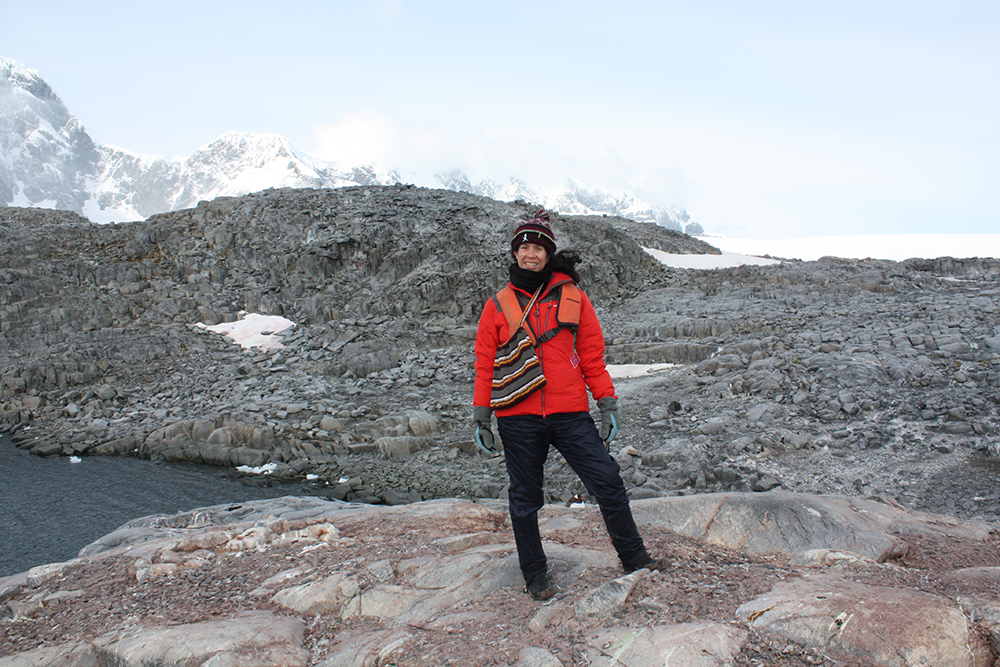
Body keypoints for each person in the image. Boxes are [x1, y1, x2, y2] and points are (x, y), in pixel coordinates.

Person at [472, 209, 665, 600]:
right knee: (525, 498)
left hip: (569, 411)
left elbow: (592, 354)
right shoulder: (497, 304)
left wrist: (607, 402)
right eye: (524, 247)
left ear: (548, 253)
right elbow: (484, 361)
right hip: (518, 416)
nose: (531, 254)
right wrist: (482, 416)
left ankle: (634, 558)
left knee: (608, 482)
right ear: (515, 253)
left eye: (538, 247)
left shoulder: (574, 296)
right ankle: (535, 576)